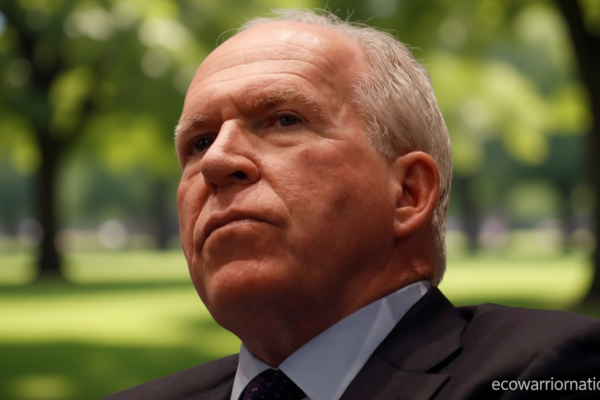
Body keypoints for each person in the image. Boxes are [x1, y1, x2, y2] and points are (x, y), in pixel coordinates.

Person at [103, 8, 600, 400]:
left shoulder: (553, 371)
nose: (216, 161)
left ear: (408, 193)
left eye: (284, 120)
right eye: (198, 143)